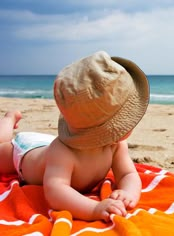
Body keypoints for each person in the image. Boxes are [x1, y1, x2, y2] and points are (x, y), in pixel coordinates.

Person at [0, 51, 149, 222]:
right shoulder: (63, 152)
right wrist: (94, 209)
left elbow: (128, 174)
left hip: (46, 146)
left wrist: (128, 193)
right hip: (25, 153)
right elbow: (55, 192)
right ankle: (9, 119)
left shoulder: (116, 145)